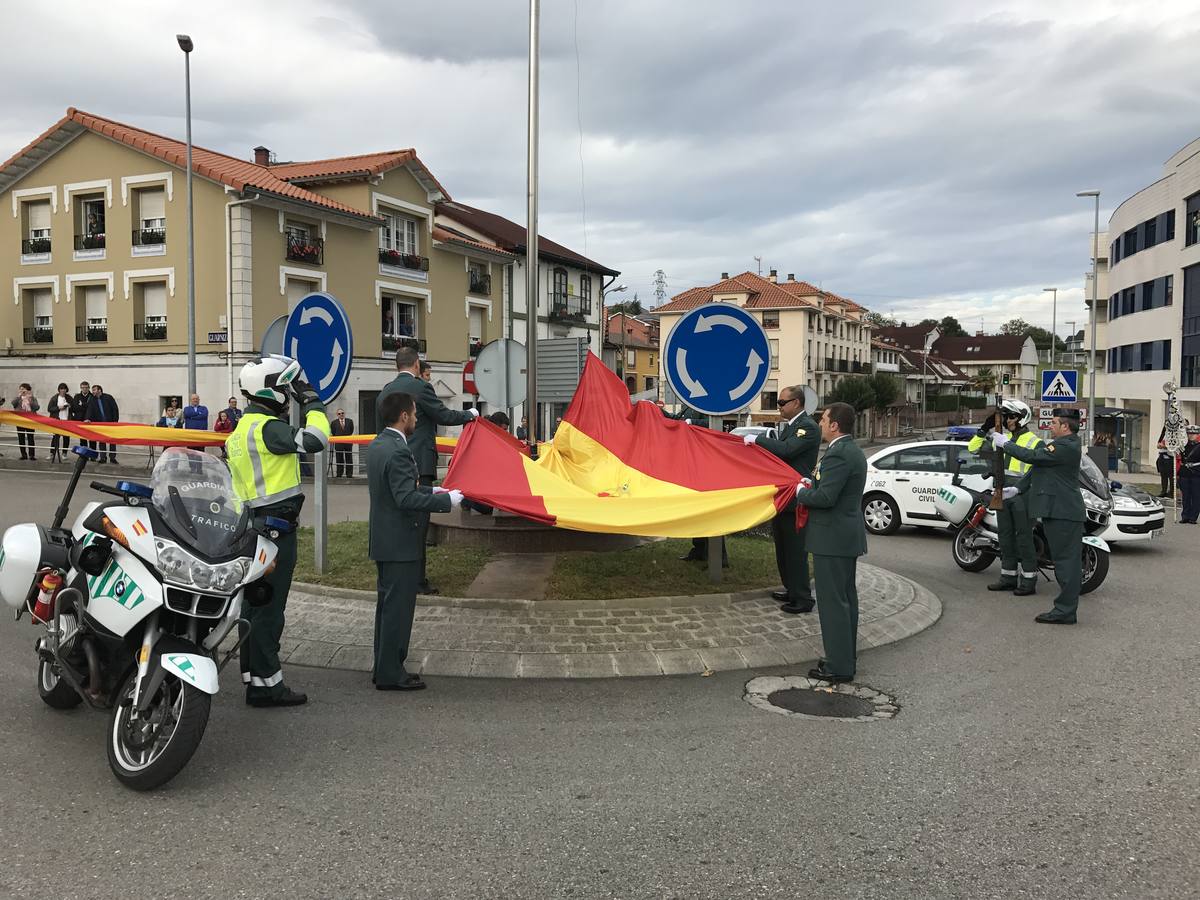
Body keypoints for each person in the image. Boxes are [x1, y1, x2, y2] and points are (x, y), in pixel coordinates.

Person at [226, 356, 331, 707]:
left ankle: (255, 678)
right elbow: (316, 439)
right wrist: (312, 400)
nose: (289, 395)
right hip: (275, 531)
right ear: (270, 391)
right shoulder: (268, 429)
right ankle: (268, 687)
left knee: (253, 608)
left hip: (251, 529)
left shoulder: (240, 431)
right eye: (285, 388)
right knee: (270, 610)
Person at [367, 391, 462, 691]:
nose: (418, 419)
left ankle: (383, 666)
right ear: (404, 416)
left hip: (385, 540)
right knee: (398, 611)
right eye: (415, 414)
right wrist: (447, 502)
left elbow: (396, 490)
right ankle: (391, 674)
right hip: (401, 543)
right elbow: (405, 498)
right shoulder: (398, 450)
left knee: (386, 608)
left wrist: (432, 493)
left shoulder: (379, 444)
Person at [377, 347, 478, 595]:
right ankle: (417, 580)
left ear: (396, 366)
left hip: (392, 462)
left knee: (399, 521)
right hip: (419, 461)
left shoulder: (385, 391)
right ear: (416, 366)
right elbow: (442, 414)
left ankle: (399, 574)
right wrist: (470, 413)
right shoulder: (421, 388)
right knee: (418, 524)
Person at [791, 402, 868, 683]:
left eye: (824, 419)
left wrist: (801, 492)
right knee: (846, 599)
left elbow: (826, 499)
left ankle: (838, 665)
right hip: (843, 537)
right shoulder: (849, 450)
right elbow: (828, 487)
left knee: (833, 602)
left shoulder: (839, 455)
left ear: (835, 425)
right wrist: (811, 483)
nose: (821, 424)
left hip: (832, 539)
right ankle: (845, 657)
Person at [994, 408, 1085, 624]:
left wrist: (1006, 444)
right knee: (1064, 561)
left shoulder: (1067, 446)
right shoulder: (1061, 446)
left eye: (1053, 423)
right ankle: (1065, 609)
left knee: (1066, 563)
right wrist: (1018, 489)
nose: (1049, 426)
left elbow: (1033, 456)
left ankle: (1065, 611)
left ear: (1065, 426)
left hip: (1064, 512)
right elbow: (1038, 467)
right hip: (1057, 510)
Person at [745, 386, 820, 614]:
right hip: (783, 496)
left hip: (796, 499)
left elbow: (787, 450)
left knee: (796, 552)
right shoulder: (791, 426)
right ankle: (791, 589)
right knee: (783, 548)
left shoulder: (807, 427)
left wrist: (758, 440)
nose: (778, 407)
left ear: (796, 403)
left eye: (781, 403)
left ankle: (803, 598)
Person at [968, 399, 1042, 595]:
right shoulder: (999, 438)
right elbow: (972, 449)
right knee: (1005, 538)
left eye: (1011, 416)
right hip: (1002, 492)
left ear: (1022, 418)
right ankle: (1008, 577)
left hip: (1022, 495)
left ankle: (1028, 581)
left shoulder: (1035, 441)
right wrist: (985, 428)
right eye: (1006, 416)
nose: (1008, 420)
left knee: (1024, 539)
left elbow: (1038, 470)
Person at [660, 401, 730, 567]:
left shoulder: (709, 404)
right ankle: (699, 550)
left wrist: (691, 423)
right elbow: (677, 419)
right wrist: (657, 410)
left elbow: (714, 424)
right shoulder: (691, 405)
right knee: (698, 511)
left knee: (711, 514)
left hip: (706, 462)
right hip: (694, 463)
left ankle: (719, 557)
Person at [84, 384, 119, 465]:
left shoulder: (108, 397)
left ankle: (112, 458)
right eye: (92, 390)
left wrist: (115, 421)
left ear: (99, 390)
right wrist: (87, 418)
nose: (93, 392)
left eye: (94, 390)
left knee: (112, 441)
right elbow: (90, 410)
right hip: (100, 424)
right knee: (101, 441)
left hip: (111, 423)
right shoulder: (92, 400)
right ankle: (103, 457)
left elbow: (115, 409)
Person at [11, 383, 39, 460]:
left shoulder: (32, 398)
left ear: (28, 390)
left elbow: (37, 407)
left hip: (30, 421)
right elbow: (13, 403)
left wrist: (30, 400)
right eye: (21, 389)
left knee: (30, 437)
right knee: (21, 438)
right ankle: (23, 454)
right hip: (20, 421)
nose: (22, 390)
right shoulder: (18, 398)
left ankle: (32, 455)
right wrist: (19, 396)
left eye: (24, 389)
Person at [1179, 425, 1200, 524]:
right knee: (1185, 496)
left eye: (1194, 434)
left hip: (1196, 473)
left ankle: (1193, 517)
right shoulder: (1183, 446)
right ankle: (1185, 516)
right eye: (1189, 434)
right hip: (1184, 473)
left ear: (1198, 434)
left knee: (1196, 496)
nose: (1191, 436)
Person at [47, 383, 72, 462]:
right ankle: (52, 453)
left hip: (67, 419)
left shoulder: (69, 398)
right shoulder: (54, 398)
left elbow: (74, 406)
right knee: (56, 437)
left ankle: (64, 453)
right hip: (57, 419)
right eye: (61, 389)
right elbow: (49, 409)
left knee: (66, 437)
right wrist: (58, 408)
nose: (63, 390)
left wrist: (69, 406)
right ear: (59, 390)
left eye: (64, 389)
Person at [330, 407, 355, 477]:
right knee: (339, 458)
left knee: (349, 458)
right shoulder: (334, 423)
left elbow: (351, 431)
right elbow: (333, 432)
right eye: (339, 413)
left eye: (342, 413)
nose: (341, 414)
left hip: (348, 443)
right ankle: (339, 474)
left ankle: (349, 474)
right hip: (339, 444)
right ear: (337, 415)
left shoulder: (350, 421)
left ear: (344, 414)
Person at [70, 381, 92, 451]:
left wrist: (82, 404)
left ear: (89, 388)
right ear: (80, 388)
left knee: (92, 438)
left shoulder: (92, 396)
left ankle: (92, 454)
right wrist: (86, 406)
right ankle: (83, 453)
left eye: (86, 387)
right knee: (82, 438)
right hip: (80, 420)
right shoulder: (77, 396)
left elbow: (92, 408)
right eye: (83, 388)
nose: (84, 389)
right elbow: (75, 408)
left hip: (90, 420)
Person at [1155, 429, 1175, 499]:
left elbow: (1174, 446)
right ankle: (1163, 491)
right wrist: (1160, 445)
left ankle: (1172, 492)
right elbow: (1158, 445)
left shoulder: (1174, 435)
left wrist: (1164, 446)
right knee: (1163, 475)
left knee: (1171, 476)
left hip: (1169, 457)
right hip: (1161, 456)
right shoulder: (1163, 434)